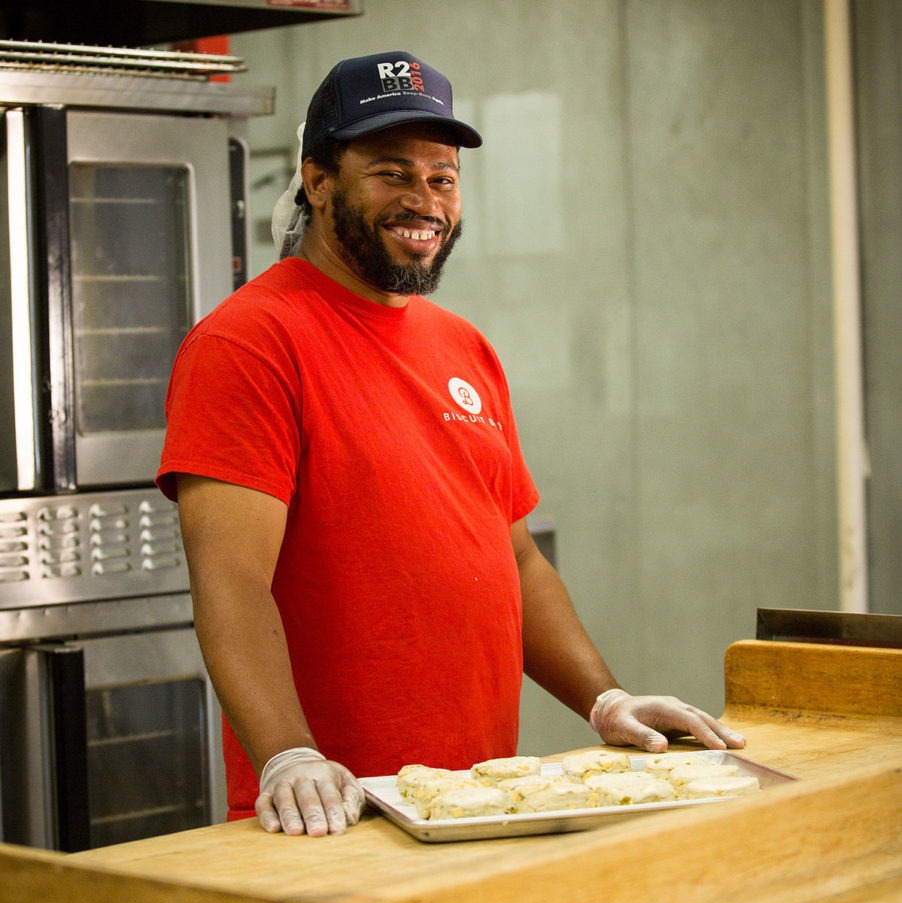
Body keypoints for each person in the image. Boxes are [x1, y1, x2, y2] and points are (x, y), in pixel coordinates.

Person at [156, 50, 745, 839]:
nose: (423, 201)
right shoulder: (250, 342)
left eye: (442, 178)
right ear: (319, 181)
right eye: (391, 173)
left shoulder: (462, 346)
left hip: (473, 797)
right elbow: (230, 579)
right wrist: (289, 758)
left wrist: (605, 700)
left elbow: (518, 559)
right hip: (332, 809)